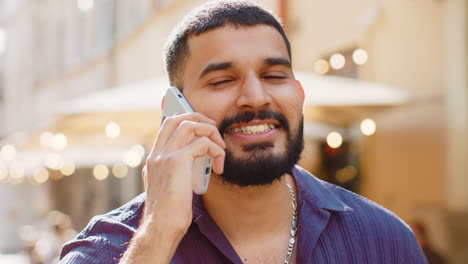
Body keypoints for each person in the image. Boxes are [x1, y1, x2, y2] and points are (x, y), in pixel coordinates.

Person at [60, 1, 427, 263]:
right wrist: (159, 234)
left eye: (274, 76)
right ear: (175, 112)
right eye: (222, 80)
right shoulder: (106, 249)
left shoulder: (384, 240)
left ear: (299, 96)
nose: (255, 96)